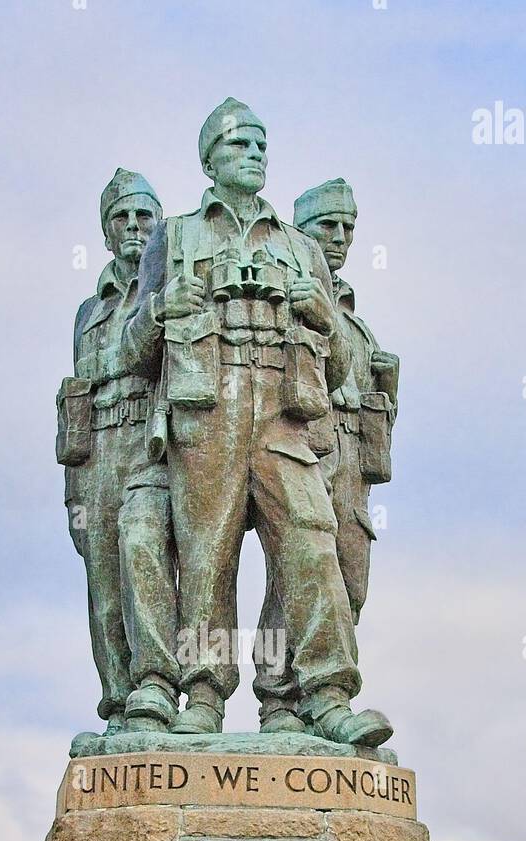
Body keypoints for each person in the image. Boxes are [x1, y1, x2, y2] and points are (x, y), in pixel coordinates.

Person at [123, 100, 391, 746]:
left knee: (312, 543)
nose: (255, 154)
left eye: (261, 145)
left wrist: (322, 313)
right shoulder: (177, 235)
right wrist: (161, 309)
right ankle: (204, 695)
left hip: (283, 413)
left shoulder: (299, 248)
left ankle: (325, 695)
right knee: (205, 556)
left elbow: (344, 367)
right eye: (240, 144)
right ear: (210, 158)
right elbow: (130, 353)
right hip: (206, 410)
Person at [254, 178, 399, 732]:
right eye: (326, 227)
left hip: (353, 470)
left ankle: (319, 706)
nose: (338, 238)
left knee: (349, 585)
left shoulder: (357, 323)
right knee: (294, 574)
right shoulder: (285, 297)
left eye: (347, 228)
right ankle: (281, 700)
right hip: (302, 448)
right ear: (301, 235)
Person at [57, 170, 179, 733]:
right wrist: (74, 485)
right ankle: (118, 707)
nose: (133, 227)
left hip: (150, 444)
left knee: (142, 552)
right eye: (121, 218)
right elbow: (76, 394)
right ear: (106, 232)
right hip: (95, 453)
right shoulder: (89, 311)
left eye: (143, 216)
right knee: (103, 588)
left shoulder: (170, 284)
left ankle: (158, 689)